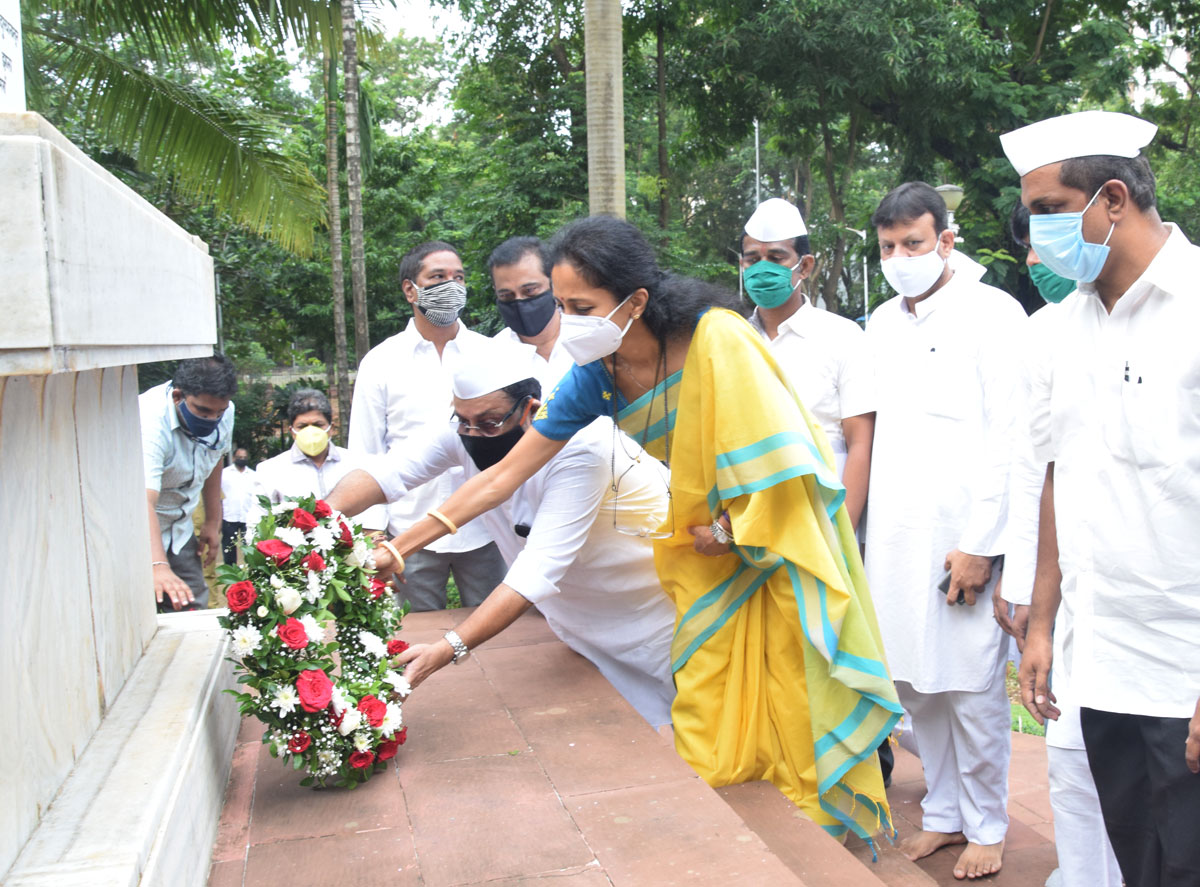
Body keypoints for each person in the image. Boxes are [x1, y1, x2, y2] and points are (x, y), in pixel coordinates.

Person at [346, 216, 901, 846]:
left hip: (777, 538)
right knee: (713, 712)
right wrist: (396, 547)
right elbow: (502, 477)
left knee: (803, 685)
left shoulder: (717, 338)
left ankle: (834, 815)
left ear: (635, 300)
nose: (567, 321)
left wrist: (731, 526)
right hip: (705, 560)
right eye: (562, 306)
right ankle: (763, 831)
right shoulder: (597, 373)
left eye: (582, 307)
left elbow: (781, 454)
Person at [1003, 110, 1200, 887]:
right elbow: (1059, 475)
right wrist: (1044, 623)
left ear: (1112, 198)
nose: (1037, 231)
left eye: (1050, 210)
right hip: (1104, 662)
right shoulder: (1058, 330)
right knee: (1140, 865)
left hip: (1187, 666)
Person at [331, 348, 677, 725]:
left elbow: (534, 573)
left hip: (652, 615)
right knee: (628, 729)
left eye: (490, 422)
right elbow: (386, 474)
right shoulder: (464, 429)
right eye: (463, 420)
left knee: (694, 729)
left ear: (530, 410)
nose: (474, 434)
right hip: (580, 619)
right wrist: (314, 521)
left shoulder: (584, 448)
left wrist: (447, 649)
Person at [864, 181, 1027, 879]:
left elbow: (1012, 437)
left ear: (947, 240)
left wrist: (981, 543)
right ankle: (943, 812)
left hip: (963, 538)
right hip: (895, 538)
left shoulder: (994, 313)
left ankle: (988, 823)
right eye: (888, 247)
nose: (901, 257)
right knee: (915, 684)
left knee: (970, 685)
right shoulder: (880, 322)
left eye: (914, 244)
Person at [1000, 203, 1121, 887]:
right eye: (1030, 244)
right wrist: (1026, 590)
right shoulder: (1044, 333)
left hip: (1147, 588)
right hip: (1063, 579)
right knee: (1068, 752)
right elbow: (1033, 470)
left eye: (1050, 226)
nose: (1038, 258)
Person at [349, 240, 507, 612]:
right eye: (438, 277)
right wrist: (373, 529)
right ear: (410, 289)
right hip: (409, 529)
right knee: (414, 633)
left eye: (459, 278)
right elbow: (366, 449)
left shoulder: (492, 354)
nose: (451, 286)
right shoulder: (381, 362)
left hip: (486, 527)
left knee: (500, 636)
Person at [741, 198, 875, 531]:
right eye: (752, 259)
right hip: (745, 511)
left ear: (804, 266)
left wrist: (845, 532)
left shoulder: (842, 336)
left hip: (822, 508)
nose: (762, 268)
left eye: (775, 257)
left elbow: (860, 441)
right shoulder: (734, 337)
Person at [140, 355, 237, 611]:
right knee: (141, 612)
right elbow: (142, 501)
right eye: (203, 411)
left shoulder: (224, 410)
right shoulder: (149, 421)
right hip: (138, 531)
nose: (212, 418)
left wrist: (212, 521)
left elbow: (216, 456)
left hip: (180, 527)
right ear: (178, 396)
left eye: (219, 411)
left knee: (192, 606)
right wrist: (157, 566)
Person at [250, 389, 386, 531]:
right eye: (302, 426)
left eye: (318, 425)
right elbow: (257, 524)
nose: (311, 432)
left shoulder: (356, 465)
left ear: (331, 428)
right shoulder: (270, 471)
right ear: (292, 431)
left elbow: (375, 512)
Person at [488, 236, 577, 391]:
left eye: (529, 291)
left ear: (553, 282)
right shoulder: (492, 357)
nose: (519, 302)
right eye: (506, 296)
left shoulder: (589, 338)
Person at [220, 448, 255, 565]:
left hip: (248, 517)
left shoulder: (253, 475)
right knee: (228, 547)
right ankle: (231, 572)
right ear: (234, 458)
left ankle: (251, 573)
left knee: (249, 547)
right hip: (229, 516)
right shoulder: (224, 474)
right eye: (239, 457)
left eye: (244, 458)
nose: (242, 460)